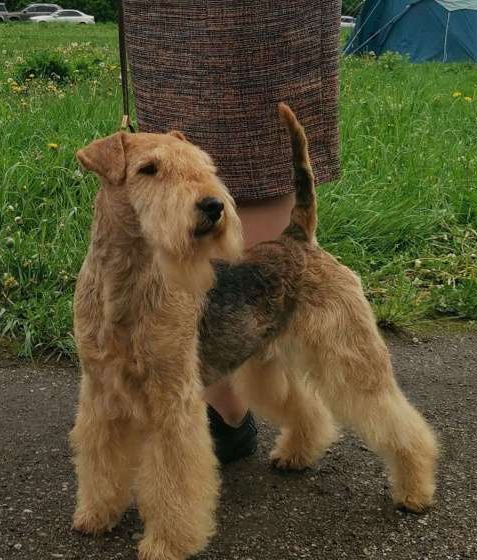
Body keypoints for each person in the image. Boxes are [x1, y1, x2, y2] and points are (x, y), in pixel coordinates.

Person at [122, 1, 342, 463]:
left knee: (260, 143)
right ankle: (225, 402)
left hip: (268, 20)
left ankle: (230, 404)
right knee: (175, 137)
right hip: (167, 19)